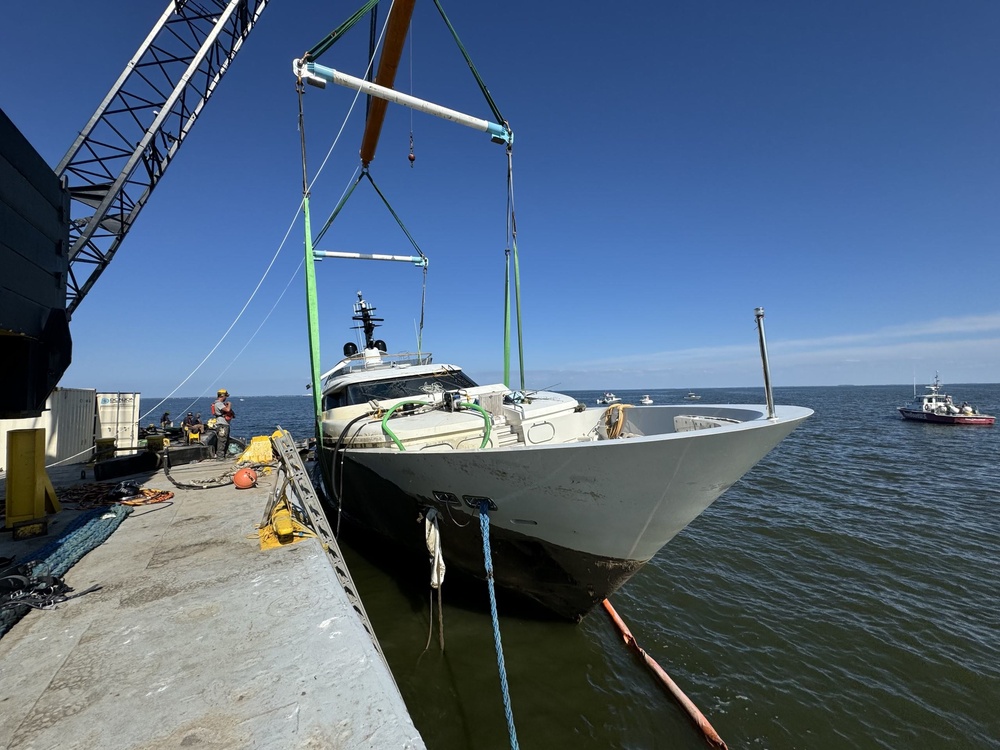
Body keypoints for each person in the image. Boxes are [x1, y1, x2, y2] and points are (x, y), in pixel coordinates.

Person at [211, 389, 235, 458]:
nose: (226, 398)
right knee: (222, 440)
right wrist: (229, 405)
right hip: (222, 425)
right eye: (225, 396)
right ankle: (220, 456)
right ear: (222, 396)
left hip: (225, 424)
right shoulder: (218, 404)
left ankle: (225, 454)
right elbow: (227, 410)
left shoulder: (221, 404)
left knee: (226, 439)